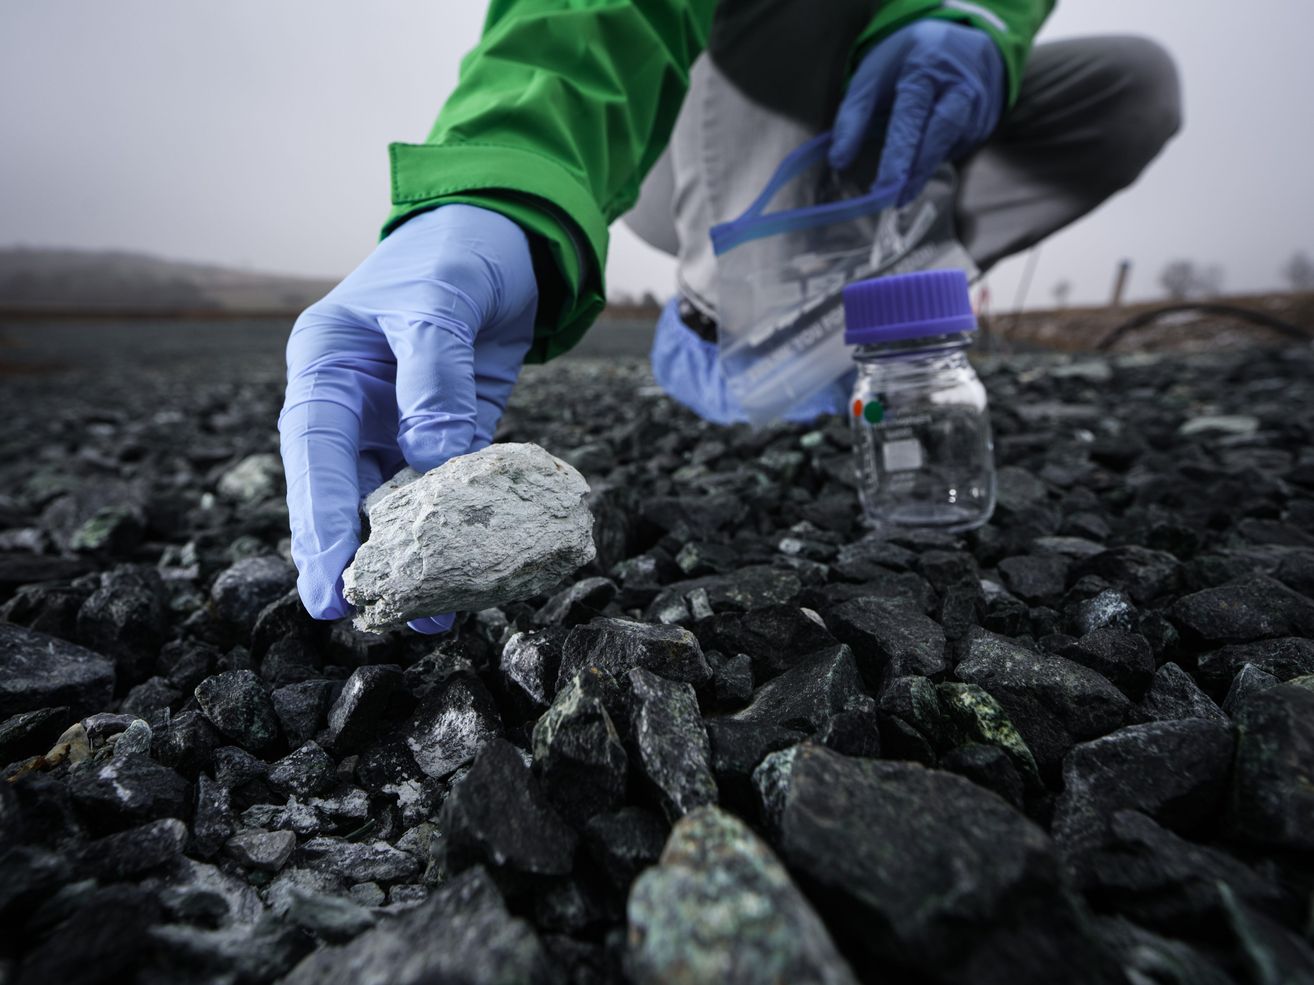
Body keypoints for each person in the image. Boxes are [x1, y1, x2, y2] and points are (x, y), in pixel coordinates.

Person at [279, 0, 1181, 629]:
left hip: (891, 86)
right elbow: (601, 10)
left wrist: (978, 16)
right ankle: (725, 326)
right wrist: (506, 174)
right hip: (693, 121)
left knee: (1130, 82)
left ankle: (852, 297)